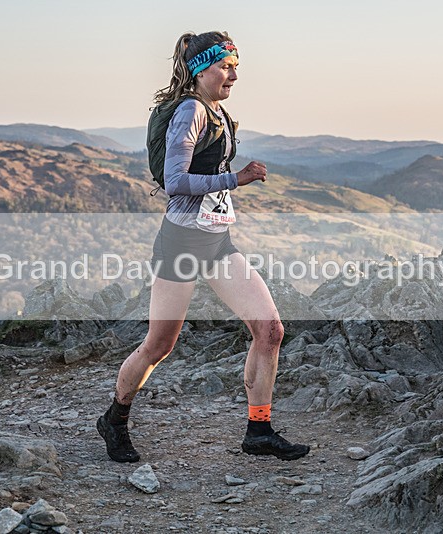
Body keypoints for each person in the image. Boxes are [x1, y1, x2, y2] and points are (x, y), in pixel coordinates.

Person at [96, 31, 310, 463]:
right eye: (225, 67)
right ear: (201, 68)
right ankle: (114, 420)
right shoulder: (192, 111)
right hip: (181, 244)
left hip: (217, 242)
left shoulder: (216, 111)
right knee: (158, 346)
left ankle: (259, 430)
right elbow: (175, 183)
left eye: (236, 67)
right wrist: (238, 178)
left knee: (270, 331)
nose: (233, 75)